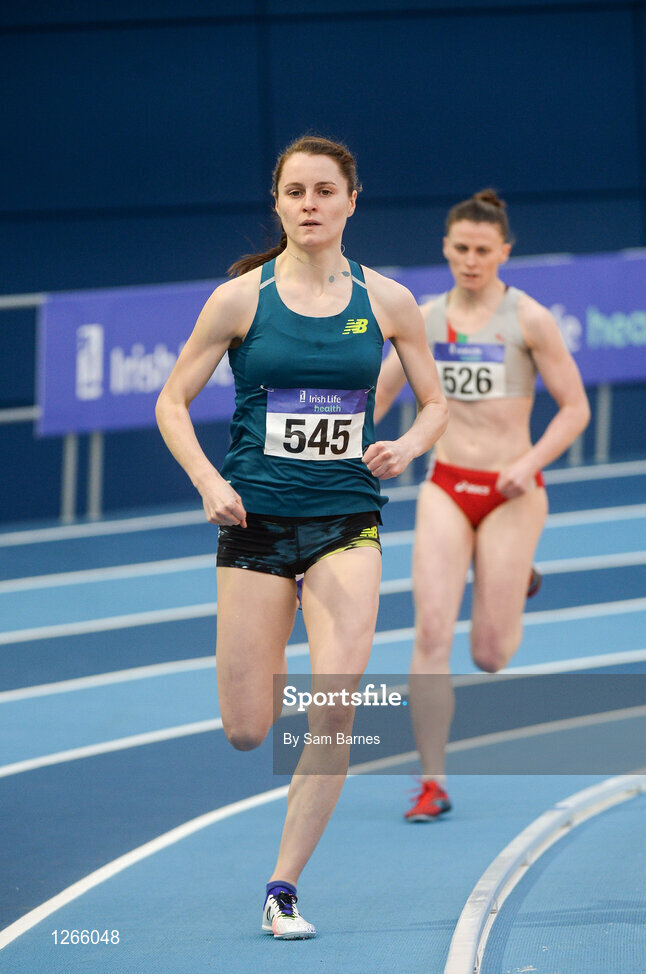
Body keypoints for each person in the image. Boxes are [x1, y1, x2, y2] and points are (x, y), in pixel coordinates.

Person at [155, 135, 448, 937]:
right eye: (295, 192)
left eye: (325, 190)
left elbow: (435, 402)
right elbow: (171, 402)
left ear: (354, 200)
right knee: (250, 729)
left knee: (333, 710)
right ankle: (271, 652)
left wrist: (409, 447)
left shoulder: (388, 301)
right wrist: (212, 483)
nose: (310, 204)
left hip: (346, 525)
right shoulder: (239, 301)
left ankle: (282, 888)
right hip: (255, 526)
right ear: (278, 204)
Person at [374, 189, 590, 822]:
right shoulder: (426, 319)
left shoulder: (529, 319)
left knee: (489, 656)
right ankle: (432, 781)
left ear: (504, 252)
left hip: (510, 490)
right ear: (446, 248)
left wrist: (529, 463)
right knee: (432, 630)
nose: (471, 261)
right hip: (446, 484)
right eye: (460, 249)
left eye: (483, 251)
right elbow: (380, 399)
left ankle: (514, 573)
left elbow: (575, 407)